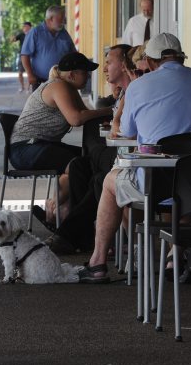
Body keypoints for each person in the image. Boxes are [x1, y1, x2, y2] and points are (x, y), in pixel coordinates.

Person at [78, 33, 191, 283]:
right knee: (184, 176)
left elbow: (125, 133)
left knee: (110, 182)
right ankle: (174, 256)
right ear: (180, 57)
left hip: (154, 185)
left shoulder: (138, 87)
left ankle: (98, 261)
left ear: (152, 62)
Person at [42, 44, 137, 254]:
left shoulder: (135, 90)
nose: (103, 69)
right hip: (116, 154)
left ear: (123, 66)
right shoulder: (124, 92)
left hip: (130, 157)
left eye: (109, 63)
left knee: (98, 178)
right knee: (78, 166)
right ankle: (83, 237)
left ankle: (68, 234)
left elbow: (123, 129)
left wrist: (115, 113)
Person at [10, 52, 113, 220]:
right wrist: (110, 110)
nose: (88, 76)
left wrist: (109, 113)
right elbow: (76, 118)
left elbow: (87, 113)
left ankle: (59, 212)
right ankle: (66, 215)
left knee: (87, 160)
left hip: (39, 145)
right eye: (85, 72)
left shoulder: (69, 89)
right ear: (71, 74)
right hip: (27, 147)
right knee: (79, 165)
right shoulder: (59, 86)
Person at [20, 5, 74, 91]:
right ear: (51, 18)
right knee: (41, 105)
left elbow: (73, 54)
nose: (64, 21)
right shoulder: (36, 32)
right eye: (61, 18)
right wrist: (30, 75)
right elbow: (25, 55)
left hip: (62, 81)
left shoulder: (64, 33)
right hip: (40, 82)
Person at [12, 22, 32, 92]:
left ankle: (28, 88)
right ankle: (22, 86)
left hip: (31, 56)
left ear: (30, 27)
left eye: (25, 26)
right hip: (22, 55)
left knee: (30, 72)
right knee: (20, 72)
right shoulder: (21, 35)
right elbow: (13, 40)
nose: (24, 28)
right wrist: (13, 36)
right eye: (23, 26)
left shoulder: (33, 34)